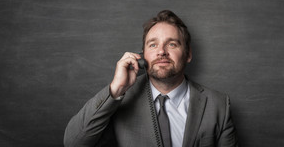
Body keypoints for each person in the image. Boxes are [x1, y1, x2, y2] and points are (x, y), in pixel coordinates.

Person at [64, 10, 238, 147]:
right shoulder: (119, 100)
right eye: (153, 45)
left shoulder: (218, 104)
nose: (161, 51)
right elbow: (73, 142)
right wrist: (115, 90)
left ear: (188, 54)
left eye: (172, 44)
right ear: (142, 55)